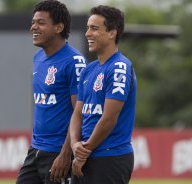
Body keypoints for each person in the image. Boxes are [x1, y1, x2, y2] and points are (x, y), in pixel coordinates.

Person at [16, 0, 86, 184]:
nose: (33, 27)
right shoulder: (38, 57)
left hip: (59, 153)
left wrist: (65, 154)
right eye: (33, 22)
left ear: (58, 27)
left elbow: (80, 113)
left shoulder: (74, 62)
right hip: (36, 150)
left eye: (40, 23)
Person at [69, 5, 137, 184]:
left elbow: (108, 119)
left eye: (94, 28)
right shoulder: (88, 70)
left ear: (112, 33)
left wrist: (84, 152)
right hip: (85, 156)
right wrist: (75, 145)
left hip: (110, 157)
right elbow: (77, 113)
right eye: (87, 28)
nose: (87, 33)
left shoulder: (119, 67)